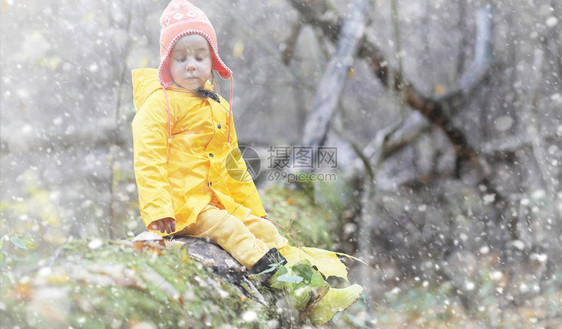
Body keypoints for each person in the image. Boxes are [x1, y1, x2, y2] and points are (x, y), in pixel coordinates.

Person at [131, 0, 362, 326]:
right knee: (230, 229)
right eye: (180, 58)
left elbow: (232, 164)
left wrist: (251, 207)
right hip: (184, 206)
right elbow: (149, 158)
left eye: (200, 56)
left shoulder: (218, 106)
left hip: (215, 200)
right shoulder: (160, 105)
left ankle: (317, 292)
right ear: (166, 63)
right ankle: (292, 290)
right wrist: (158, 211)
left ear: (213, 59)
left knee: (263, 229)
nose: (192, 65)